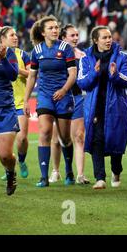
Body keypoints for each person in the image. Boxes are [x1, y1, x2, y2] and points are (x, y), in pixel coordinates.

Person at [77, 26, 127, 189]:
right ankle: (100, 178)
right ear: (95, 40)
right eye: (104, 38)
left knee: (116, 142)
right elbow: (82, 83)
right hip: (95, 106)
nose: (108, 40)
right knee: (96, 140)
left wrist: (115, 75)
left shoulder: (122, 57)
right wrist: (94, 73)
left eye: (109, 37)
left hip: (116, 106)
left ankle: (116, 171)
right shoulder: (86, 58)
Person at [24, 16, 77, 188]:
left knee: (64, 137)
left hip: (63, 96)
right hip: (45, 96)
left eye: (56, 27)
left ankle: (69, 170)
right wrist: (26, 100)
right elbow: (32, 77)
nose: (55, 30)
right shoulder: (36, 51)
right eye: (51, 28)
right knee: (45, 132)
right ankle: (44, 177)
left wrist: (63, 90)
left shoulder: (66, 49)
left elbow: (73, 74)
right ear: (43, 32)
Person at [49, 24, 90, 185]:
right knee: (56, 137)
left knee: (79, 136)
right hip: (59, 97)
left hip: (78, 97)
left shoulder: (83, 55)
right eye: (72, 35)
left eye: (76, 35)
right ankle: (55, 171)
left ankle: (80, 174)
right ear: (63, 38)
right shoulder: (55, 53)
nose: (75, 38)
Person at [0, 26, 30, 180]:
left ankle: (22, 161)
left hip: (18, 102)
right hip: (4, 101)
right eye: (12, 35)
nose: (16, 38)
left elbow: (31, 74)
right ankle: (9, 167)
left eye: (16, 35)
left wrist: (17, 69)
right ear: (2, 39)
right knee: (5, 148)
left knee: (22, 138)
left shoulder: (22, 54)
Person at [0, 26, 19, 195]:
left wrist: (3, 59)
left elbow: (13, 75)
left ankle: (11, 172)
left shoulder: (7, 53)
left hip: (4, 108)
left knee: (5, 156)